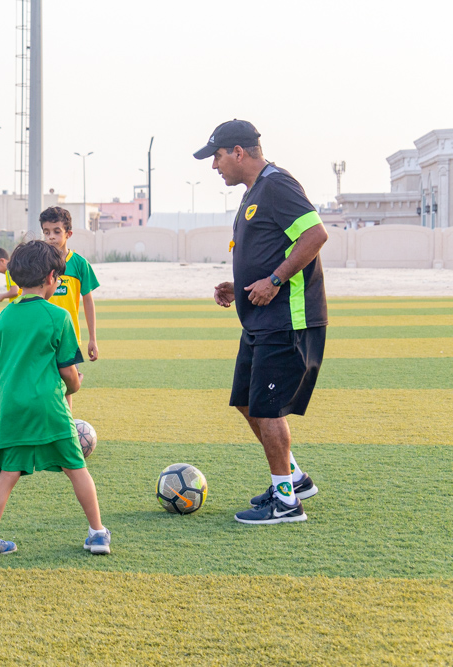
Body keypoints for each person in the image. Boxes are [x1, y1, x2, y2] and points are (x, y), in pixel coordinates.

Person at [194, 119, 328, 525]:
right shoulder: (255, 191)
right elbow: (270, 247)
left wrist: (274, 281)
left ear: (238, 152)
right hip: (260, 316)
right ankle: (295, 478)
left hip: (287, 318)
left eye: (216, 157)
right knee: (248, 402)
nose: (214, 166)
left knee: (268, 409)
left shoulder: (277, 185)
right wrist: (241, 285)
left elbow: (315, 234)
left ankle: (287, 503)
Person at [0, 240, 110, 557]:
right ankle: (98, 534)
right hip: (50, 408)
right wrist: (75, 387)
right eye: (59, 278)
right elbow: (69, 374)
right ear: (50, 277)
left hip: (13, 410)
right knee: (76, 468)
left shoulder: (1, 320)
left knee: (7, 475)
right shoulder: (58, 317)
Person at [40, 206, 100, 408]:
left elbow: (88, 301)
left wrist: (92, 338)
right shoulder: (38, 263)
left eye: (57, 231)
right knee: (43, 383)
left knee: (66, 386)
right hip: (41, 333)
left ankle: (66, 429)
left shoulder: (80, 264)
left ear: (69, 233)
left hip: (68, 335)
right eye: (46, 232)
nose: (51, 237)